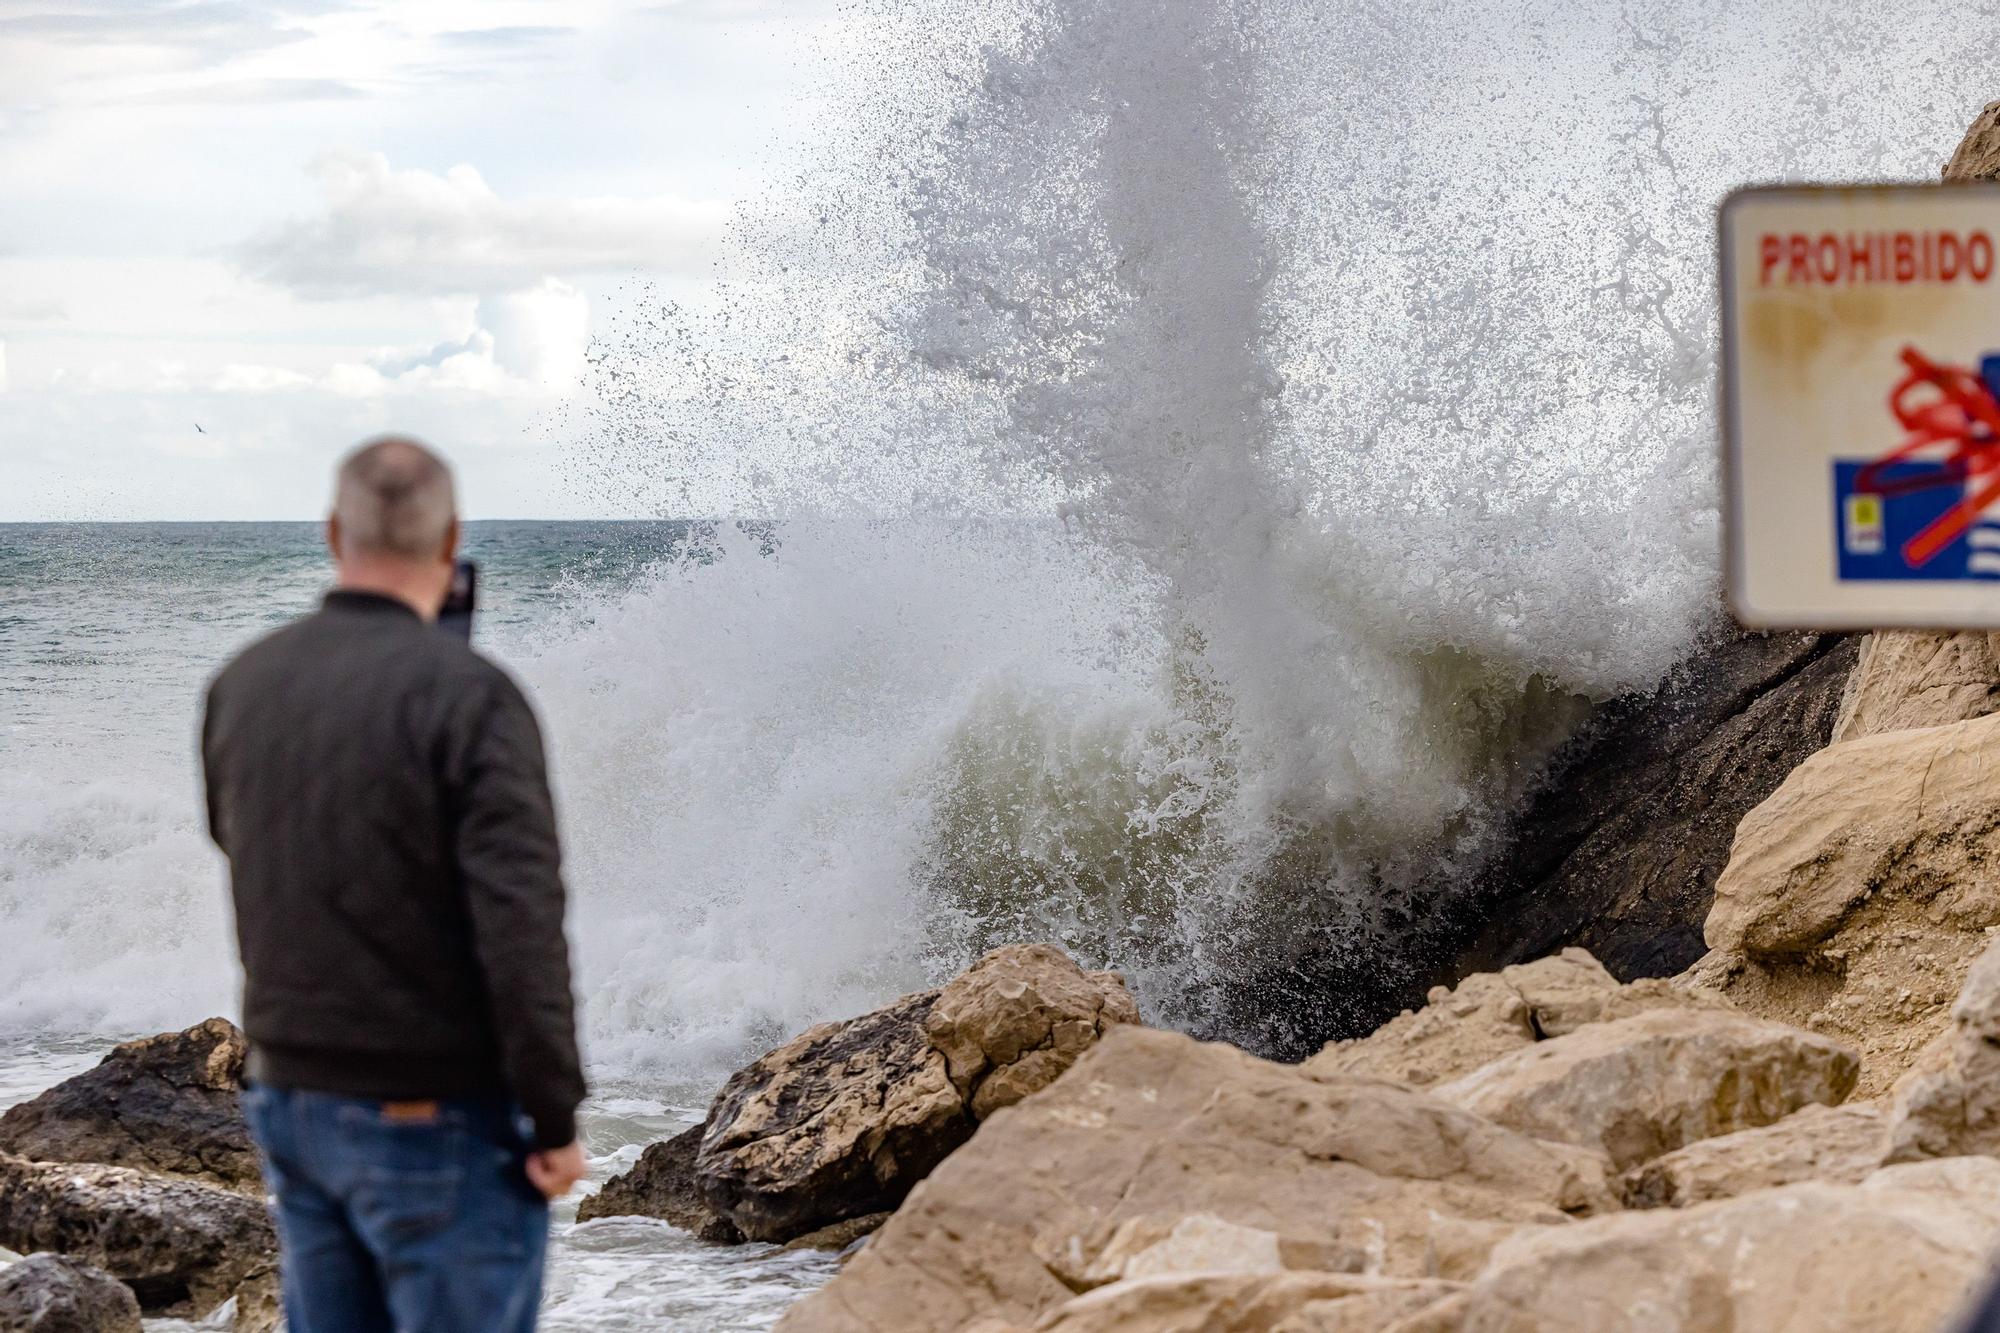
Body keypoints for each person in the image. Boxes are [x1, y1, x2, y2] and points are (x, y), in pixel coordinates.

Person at [201, 436, 587, 1332]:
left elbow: (248, 846)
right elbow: (519, 918)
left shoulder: (243, 682)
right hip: (432, 1112)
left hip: (292, 1099)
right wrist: (554, 1112)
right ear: (452, 542)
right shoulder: (472, 695)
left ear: (335, 532)